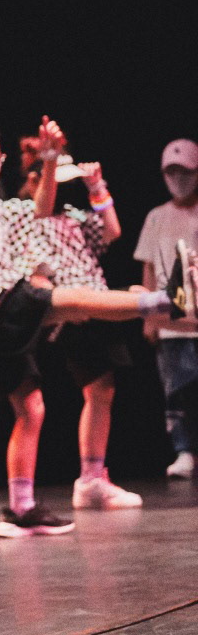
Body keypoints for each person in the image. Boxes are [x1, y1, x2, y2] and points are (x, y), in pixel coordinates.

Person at [0, 118, 191, 537]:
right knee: (66, 300)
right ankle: (162, 300)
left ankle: (22, 509)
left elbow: (40, 207)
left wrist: (51, 159)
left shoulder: (1, 208)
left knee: (31, 410)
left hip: (3, 326)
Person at [17, 142, 138, 508]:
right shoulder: (25, 218)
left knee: (103, 388)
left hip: (98, 304)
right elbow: (32, 272)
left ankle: (92, 477)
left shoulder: (72, 215)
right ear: (37, 180)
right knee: (95, 388)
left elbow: (112, 231)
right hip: (73, 310)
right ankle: (89, 478)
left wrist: (96, 186)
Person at [135, 138, 198, 478]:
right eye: (171, 172)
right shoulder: (156, 217)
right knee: (176, 390)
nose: (179, 179)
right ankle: (184, 450)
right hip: (171, 320)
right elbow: (148, 265)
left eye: (185, 171)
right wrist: (149, 318)